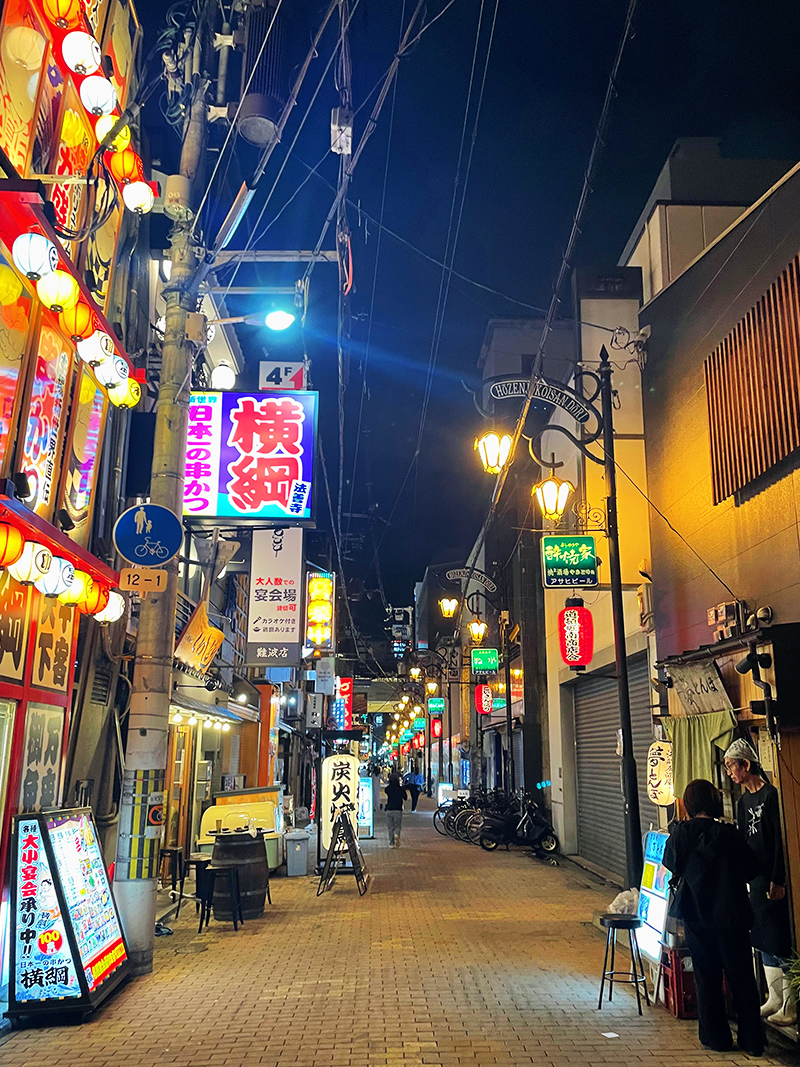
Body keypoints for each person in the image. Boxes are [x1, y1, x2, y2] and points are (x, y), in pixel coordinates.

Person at [663, 778, 764, 1057]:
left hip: (696, 915)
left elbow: (671, 863)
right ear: (713, 801)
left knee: (706, 976)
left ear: (690, 804)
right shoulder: (729, 834)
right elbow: (752, 866)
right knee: (741, 976)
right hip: (732, 914)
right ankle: (752, 1040)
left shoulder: (681, 834)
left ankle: (716, 1037)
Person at [725, 736, 796, 1026]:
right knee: (761, 936)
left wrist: (779, 878)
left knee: (779, 937)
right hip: (753, 879)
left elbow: (780, 840)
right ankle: (774, 997)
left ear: (746, 764)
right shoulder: (743, 802)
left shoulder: (771, 795)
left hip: (772, 877)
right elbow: (743, 841)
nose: (729, 772)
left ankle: (790, 1004)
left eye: (732, 766)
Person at [384, 773, 407, 848]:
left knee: (390, 828)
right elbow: (405, 798)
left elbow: (386, 791)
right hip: (398, 809)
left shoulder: (388, 789)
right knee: (397, 826)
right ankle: (396, 835)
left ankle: (391, 843)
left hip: (389, 809)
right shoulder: (400, 789)